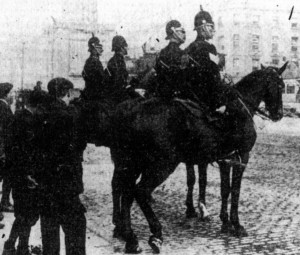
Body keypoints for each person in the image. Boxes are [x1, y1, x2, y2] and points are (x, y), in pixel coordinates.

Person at [39, 77, 86, 255]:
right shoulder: (70, 115)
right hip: (67, 182)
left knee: (49, 234)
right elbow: (79, 144)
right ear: (66, 92)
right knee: (75, 230)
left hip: (45, 184)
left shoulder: (40, 114)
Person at [2, 90, 44, 255]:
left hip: (16, 174)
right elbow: (24, 151)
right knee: (27, 214)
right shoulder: (28, 121)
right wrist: (27, 174)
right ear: (39, 105)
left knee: (24, 213)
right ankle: (16, 246)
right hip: (25, 175)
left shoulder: (18, 117)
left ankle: (16, 245)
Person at [185, 6, 236, 115]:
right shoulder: (208, 47)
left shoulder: (190, 47)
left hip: (192, 95)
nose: (214, 29)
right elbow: (213, 77)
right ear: (203, 28)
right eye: (211, 26)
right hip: (207, 98)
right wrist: (221, 102)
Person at [155, 20, 188, 99]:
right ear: (174, 32)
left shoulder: (162, 52)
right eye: (181, 31)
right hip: (177, 97)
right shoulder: (182, 53)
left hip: (162, 95)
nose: (184, 34)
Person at [0, 83, 14, 215]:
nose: (13, 95)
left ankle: (4, 202)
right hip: (4, 149)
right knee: (6, 176)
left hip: (5, 148)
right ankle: (4, 203)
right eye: (11, 93)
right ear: (6, 94)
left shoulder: (4, 106)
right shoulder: (2, 107)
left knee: (7, 177)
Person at [104, 35, 129, 104]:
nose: (127, 47)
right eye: (125, 45)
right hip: (117, 98)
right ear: (121, 48)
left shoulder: (114, 60)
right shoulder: (118, 61)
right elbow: (119, 84)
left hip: (114, 96)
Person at [82, 34, 105, 101]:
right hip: (94, 94)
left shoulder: (95, 61)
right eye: (98, 46)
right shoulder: (91, 61)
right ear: (93, 49)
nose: (101, 49)